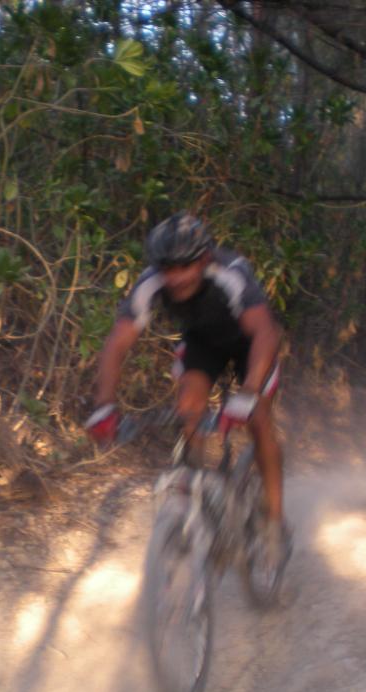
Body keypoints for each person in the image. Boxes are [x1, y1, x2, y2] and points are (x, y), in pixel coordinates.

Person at [85, 212, 290, 564]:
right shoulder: (151, 282)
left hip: (251, 345)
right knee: (188, 411)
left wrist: (249, 393)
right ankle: (195, 502)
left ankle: (273, 520)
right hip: (204, 343)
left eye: (186, 266)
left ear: (205, 258)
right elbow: (117, 342)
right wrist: (104, 405)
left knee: (258, 422)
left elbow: (265, 332)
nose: (176, 277)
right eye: (168, 268)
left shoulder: (231, 273)